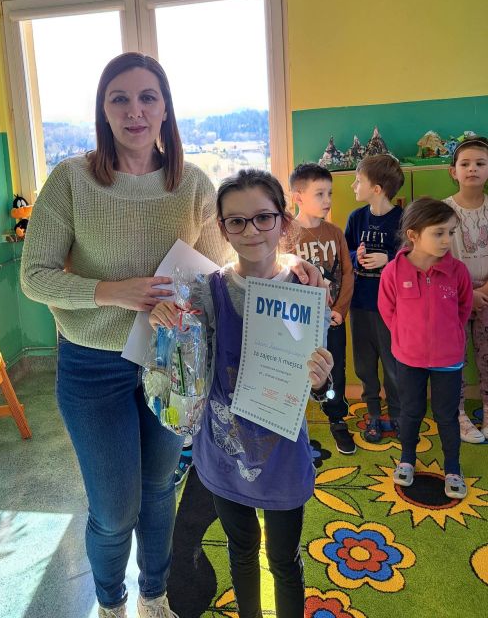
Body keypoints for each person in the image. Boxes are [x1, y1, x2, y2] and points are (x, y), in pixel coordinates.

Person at [20, 53, 324, 618]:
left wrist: (289, 267)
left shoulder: (192, 184)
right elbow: (34, 276)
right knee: (115, 509)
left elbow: (225, 266)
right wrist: (116, 292)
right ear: (103, 110)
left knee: (161, 488)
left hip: (175, 362)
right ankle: (110, 601)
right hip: (92, 365)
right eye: (120, 99)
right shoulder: (71, 180)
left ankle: (153, 594)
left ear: (165, 110)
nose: (134, 111)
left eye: (148, 98)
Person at [149, 169, 334, 618]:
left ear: (283, 221)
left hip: (282, 453)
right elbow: (181, 369)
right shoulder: (206, 290)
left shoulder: (307, 291)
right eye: (237, 221)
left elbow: (322, 392)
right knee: (242, 549)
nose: (251, 230)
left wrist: (322, 383)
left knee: (284, 560)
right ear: (223, 228)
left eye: (263, 218)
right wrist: (164, 325)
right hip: (223, 453)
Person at [378, 198, 473, 499]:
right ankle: (407, 458)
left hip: (448, 359)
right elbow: (388, 310)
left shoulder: (458, 271)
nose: (447, 240)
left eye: (451, 233)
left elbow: (463, 308)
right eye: (439, 233)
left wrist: (449, 336)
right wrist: (406, 337)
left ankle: (453, 468)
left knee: (447, 415)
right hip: (409, 358)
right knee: (411, 411)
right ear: (413, 235)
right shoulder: (393, 272)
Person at [289, 163, 355, 454]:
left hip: (332, 319)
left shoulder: (335, 232)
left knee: (334, 369)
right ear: (298, 197)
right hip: (298, 323)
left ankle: (337, 418)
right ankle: (292, 421)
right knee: (298, 370)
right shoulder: (285, 234)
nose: (327, 200)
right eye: (319, 194)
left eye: (329, 193)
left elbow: (348, 273)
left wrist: (340, 309)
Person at [345, 153, 404, 442]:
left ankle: (397, 415)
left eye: (358, 181)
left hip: (391, 309)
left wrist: (388, 259)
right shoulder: (356, 218)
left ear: (377, 189)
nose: (353, 186)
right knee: (365, 366)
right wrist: (357, 255)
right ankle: (372, 413)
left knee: (393, 366)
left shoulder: (403, 219)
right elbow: (345, 254)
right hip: (360, 306)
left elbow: (413, 258)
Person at [444, 135, 488, 443]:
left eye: (480, 163)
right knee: (454, 359)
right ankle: (458, 413)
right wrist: (466, 294)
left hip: (487, 293)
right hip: (454, 297)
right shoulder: (443, 211)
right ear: (454, 171)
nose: (472, 169)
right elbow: (436, 257)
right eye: (465, 164)